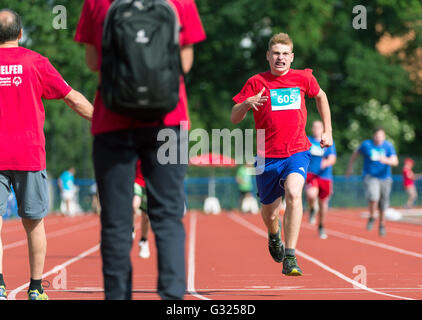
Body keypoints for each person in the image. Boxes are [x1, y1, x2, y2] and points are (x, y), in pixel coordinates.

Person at [74, 0, 206, 300]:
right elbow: (185, 64)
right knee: (168, 216)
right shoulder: (180, 2)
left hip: (112, 122)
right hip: (168, 121)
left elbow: (93, 61)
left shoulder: (97, 3)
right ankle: (172, 298)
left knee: (117, 221)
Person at [0, 9, 93, 300]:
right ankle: (36, 288)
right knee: (34, 223)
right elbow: (72, 98)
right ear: (20, 33)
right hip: (28, 154)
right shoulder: (35, 62)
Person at [231, 33, 333, 276]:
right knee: (269, 213)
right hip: (266, 157)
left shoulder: (303, 78)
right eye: (276, 53)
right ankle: (273, 234)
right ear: (268, 56)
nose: (280, 58)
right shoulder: (256, 82)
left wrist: (328, 130)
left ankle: (290, 256)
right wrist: (247, 103)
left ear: (292, 57)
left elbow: (321, 96)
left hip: (297, 151)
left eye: (285, 54)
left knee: (294, 194)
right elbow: (234, 118)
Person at [346, 127, 399, 236]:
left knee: (383, 204)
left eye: (381, 136)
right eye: (377, 136)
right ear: (373, 136)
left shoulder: (388, 146)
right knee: (373, 196)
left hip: (385, 178)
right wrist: (350, 167)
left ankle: (382, 225)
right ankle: (372, 216)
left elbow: (395, 161)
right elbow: (356, 153)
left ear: (384, 137)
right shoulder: (367, 145)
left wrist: (386, 160)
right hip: (370, 176)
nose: (379, 138)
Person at [305, 120, 337, 239]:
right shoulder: (308, 140)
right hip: (311, 175)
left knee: (324, 204)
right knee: (311, 195)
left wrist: (325, 163)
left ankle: (321, 226)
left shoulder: (328, 141)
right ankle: (312, 209)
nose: (317, 129)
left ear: (323, 129)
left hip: (325, 176)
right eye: (315, 127)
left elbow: (332, 158)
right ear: (312, 129)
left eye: (319, 127)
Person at [132, 160, 151, 259]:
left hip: (150, 184)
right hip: (136, 181)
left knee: (146, 216)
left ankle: (144, 240)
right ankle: (130, 231)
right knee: (134, 204)